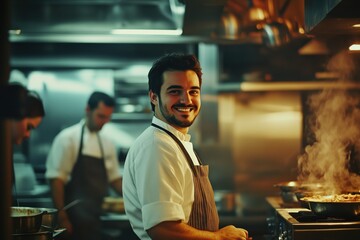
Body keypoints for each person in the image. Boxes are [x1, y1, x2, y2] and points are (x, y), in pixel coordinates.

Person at [123, 53, 250, 240]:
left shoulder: (175, 142)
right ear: (154, 97)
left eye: (193, 91)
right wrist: (219, 237)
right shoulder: (157, 146)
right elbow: (163, 229)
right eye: (175, 91)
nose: (187, 100)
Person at [45, 91, 122, 240]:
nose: (105, 121)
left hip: (97, 215)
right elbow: (56, 180)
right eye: (101, 116)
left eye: (108, 117)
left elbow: (114, 179)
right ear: (88, 110)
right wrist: (62, 217)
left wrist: (137, 199)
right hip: (73, 217)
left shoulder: (107, 143)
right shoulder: (68, 138)